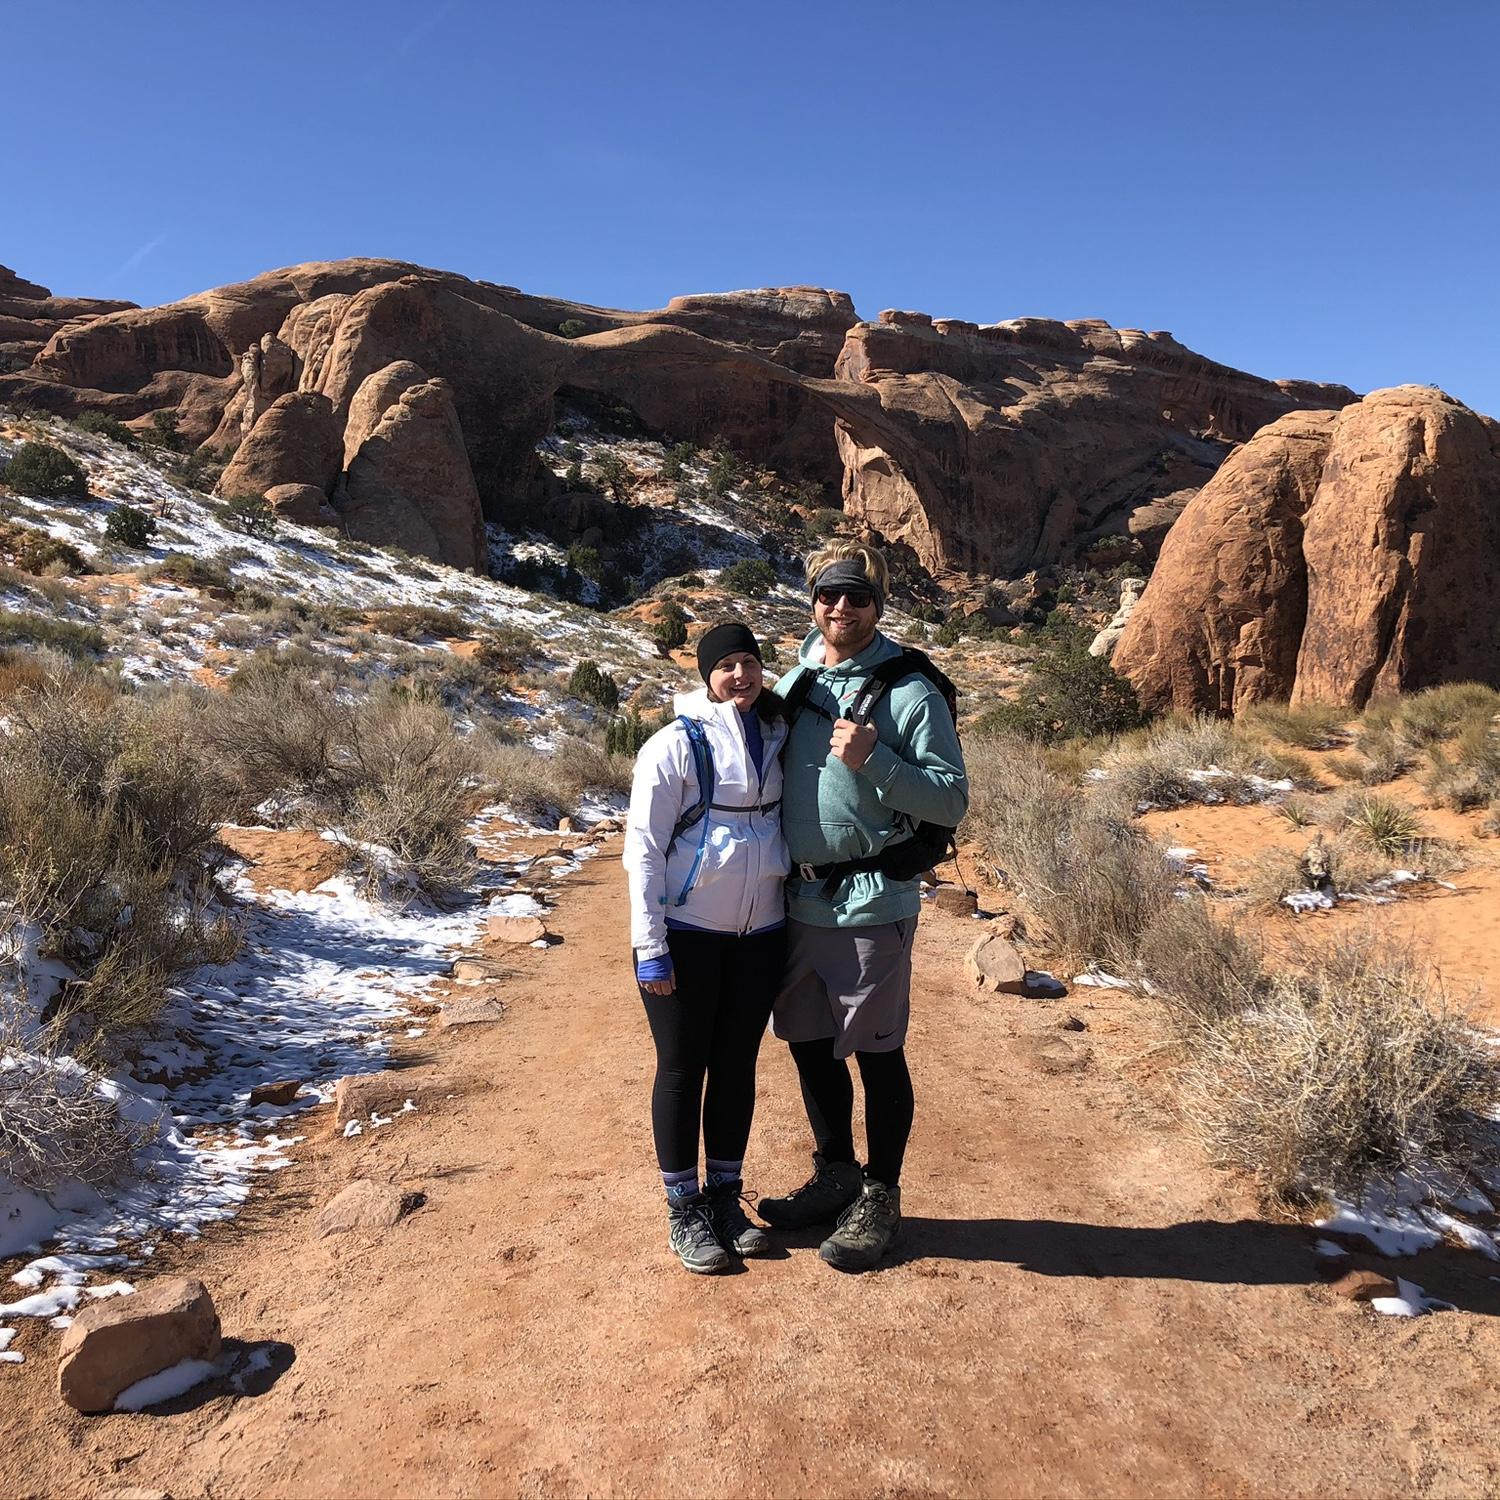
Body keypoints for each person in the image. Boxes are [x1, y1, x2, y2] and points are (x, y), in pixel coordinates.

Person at [759, 542, 968, 1271]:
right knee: (810, 1046)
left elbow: (950, 799)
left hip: (872, 902)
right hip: (798, 901)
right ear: (813, 601)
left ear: (879, 606)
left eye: (857, 597)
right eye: (829, 595)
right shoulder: (797, 677)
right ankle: (835, 1174)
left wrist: (875, 759)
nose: (840, 608)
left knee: (878, 1056)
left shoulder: (911, 692)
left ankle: (881, 1193)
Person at [623, 621, 790, 1274]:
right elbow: (641, 849)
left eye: (750, 663)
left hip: (759, 937)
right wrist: (649, 945)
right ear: (705, 675)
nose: (740, 676)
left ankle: (724, 1197)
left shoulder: (779, 737)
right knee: (681, 1067)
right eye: (727, 666)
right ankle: (683, 1208)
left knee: (736, 1066)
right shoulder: (672, 746)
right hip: (686, 937)